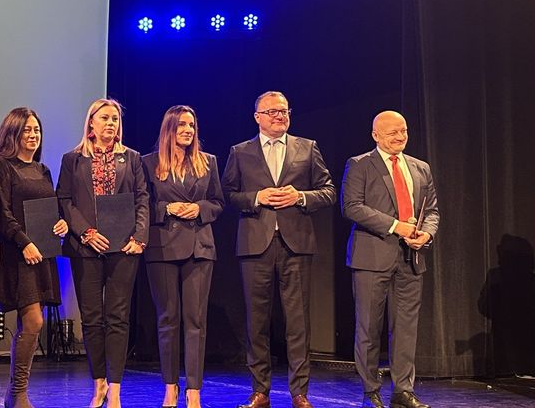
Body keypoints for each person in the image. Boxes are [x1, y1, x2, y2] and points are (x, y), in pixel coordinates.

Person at [220, 91, 336, 408]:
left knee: (298, 323)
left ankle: (299, 392)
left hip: (295, 244)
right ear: (257, 117)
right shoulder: (240, 152)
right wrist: (258, 197)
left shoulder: (307, 148)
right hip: (255, 245)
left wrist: (299, 197)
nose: (279, 116)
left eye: (284, 110)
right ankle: (260, 391)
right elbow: (227, 195)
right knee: (257, 322)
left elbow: (328, 191)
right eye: (272, 111)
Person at [341, 111, 439, 408]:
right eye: (392, 133)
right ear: (375, 136)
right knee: (369, 327)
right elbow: (351, 207)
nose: (400, 137)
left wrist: (426, 234)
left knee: (406, 328)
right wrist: (397, 226)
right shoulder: (359, 165)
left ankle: (403, 391)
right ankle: (371, 390)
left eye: (403, 131)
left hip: (411, 258)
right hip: (371, 257)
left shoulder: (420, 167)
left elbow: (432, 210)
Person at [56, 98, 149, 408]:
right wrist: (86, 233)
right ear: (91, 124)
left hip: (124, 247)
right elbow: (65, 200)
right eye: (105, 118)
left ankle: (116, 390)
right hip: (86, 247)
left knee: (118, 318)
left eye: (115, 119)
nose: (111, 124)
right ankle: (98, 385)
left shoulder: (132, 159)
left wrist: (139, 237)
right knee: (93, 319)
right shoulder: (73, 159)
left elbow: (142, 200)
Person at [142, 106, 224, 408]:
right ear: (169, 129)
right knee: (168, 319)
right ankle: (169, 387)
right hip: (162, 247)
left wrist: (200, 208)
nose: (188, 130)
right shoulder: (148, 163)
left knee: (195, 321)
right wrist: (167, 209)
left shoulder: (208, 162)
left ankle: (194, 391)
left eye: (192, 125)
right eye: (182, 125)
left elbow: (218, 201)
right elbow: (142, 206)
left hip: (199, 247)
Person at [0, 107, 70, 408]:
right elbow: (3, 213)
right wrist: (24, 243)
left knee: (32, 323)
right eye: (27, 130)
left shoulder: (42, 170)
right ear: (13, 132)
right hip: (17, 253)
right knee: (33, 321)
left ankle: (16, 393)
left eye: (36, 130)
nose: (33, 135)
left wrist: (61, 223)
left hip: (42, 254)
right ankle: (17, 393)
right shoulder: (0, 164)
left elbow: (50, 209)